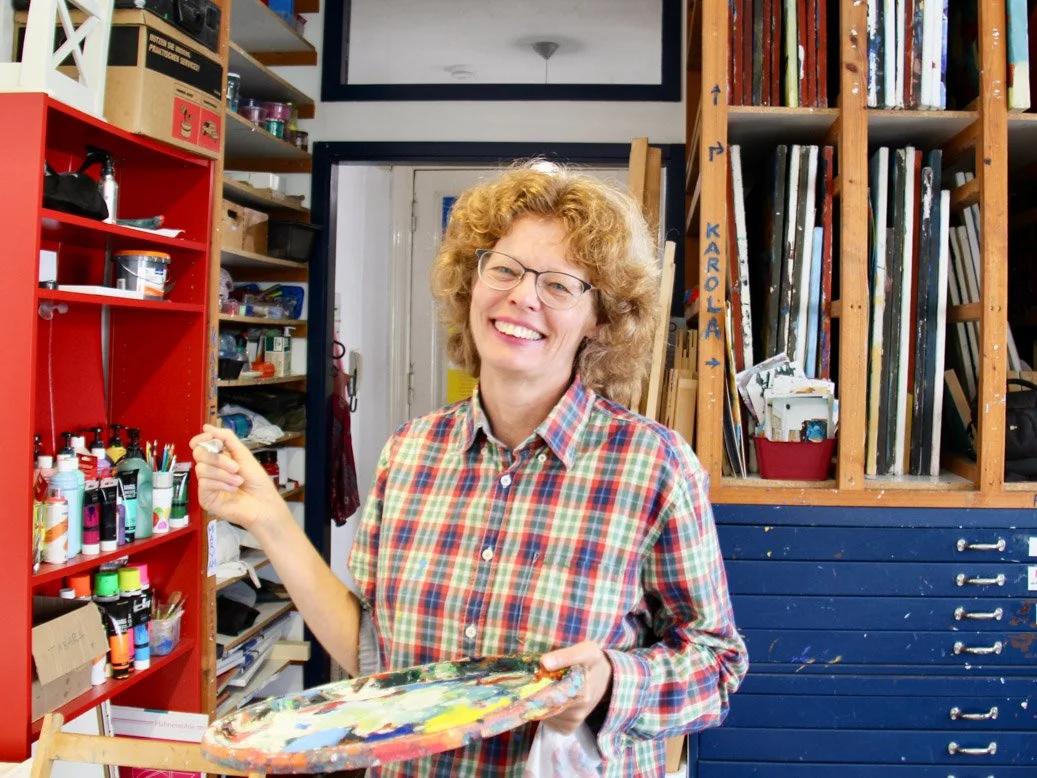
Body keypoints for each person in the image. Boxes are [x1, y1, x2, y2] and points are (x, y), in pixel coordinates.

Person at [192, 162, 747, 777]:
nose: (523, 296)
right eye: (504, 269)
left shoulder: (654, 467)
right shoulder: (410, 453)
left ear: (600, 318)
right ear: (471, 283)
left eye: (559, 284)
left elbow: (717, 665)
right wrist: (269, 519)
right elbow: (376, 657)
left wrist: (610, 683)